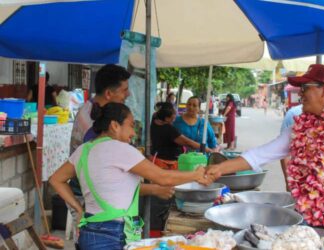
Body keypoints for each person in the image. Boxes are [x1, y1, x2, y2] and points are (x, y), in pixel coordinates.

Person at [206, 64, 324, 250]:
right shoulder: (300, 129)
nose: (300, 94)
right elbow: (261, 154)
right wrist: (220, 168)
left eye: (305, 88)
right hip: (314, 228)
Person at [50, 102, 211, 249]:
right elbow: (163, 177)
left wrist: (79, 208)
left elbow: (56, 180)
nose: (134, 133)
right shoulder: (122, 149)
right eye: (131, 126)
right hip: (112, 235)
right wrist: (196, 174)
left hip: (89, 231)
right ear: (114, 125)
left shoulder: (83, 150)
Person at [68, 64, 172, 248]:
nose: (128, 95)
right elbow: (108, 178)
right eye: (124, 90)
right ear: (108, 94)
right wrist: (155, 188)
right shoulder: (95, 127)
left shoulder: (96, 112)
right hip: (96, 210)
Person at [150, 102, 213, 231]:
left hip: (157, 161)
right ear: (167, 118)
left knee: (161, 194)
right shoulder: (169, 128)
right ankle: (161, 223)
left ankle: (158, 222)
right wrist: (207, 150)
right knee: (167, 194)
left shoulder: (154, 122)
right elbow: (186, 141)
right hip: (167, 165)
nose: (175, 116)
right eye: (173, 114)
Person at [279, 104, 303, 191]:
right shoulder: (293, 113)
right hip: (299, 180)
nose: (301, 94)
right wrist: (288, 181)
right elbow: (283, 150)